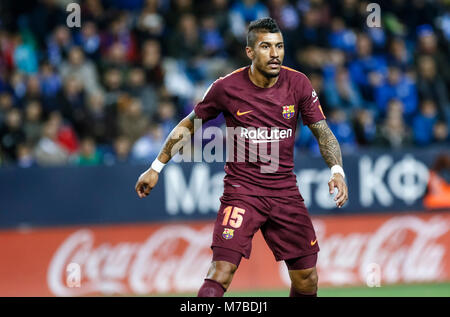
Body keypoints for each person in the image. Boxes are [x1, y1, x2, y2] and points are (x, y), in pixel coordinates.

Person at [134, 18, 348, 297]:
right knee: (220, 273)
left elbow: (324, 133)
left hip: (285, 193)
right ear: (250, 52)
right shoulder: (226, 88)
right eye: (266, 47)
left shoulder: (298, 84)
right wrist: (156, 166)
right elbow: (188, 124)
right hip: (242, 193)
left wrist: (337, 171)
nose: (275, 54)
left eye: (279, 46)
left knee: (307, 278)